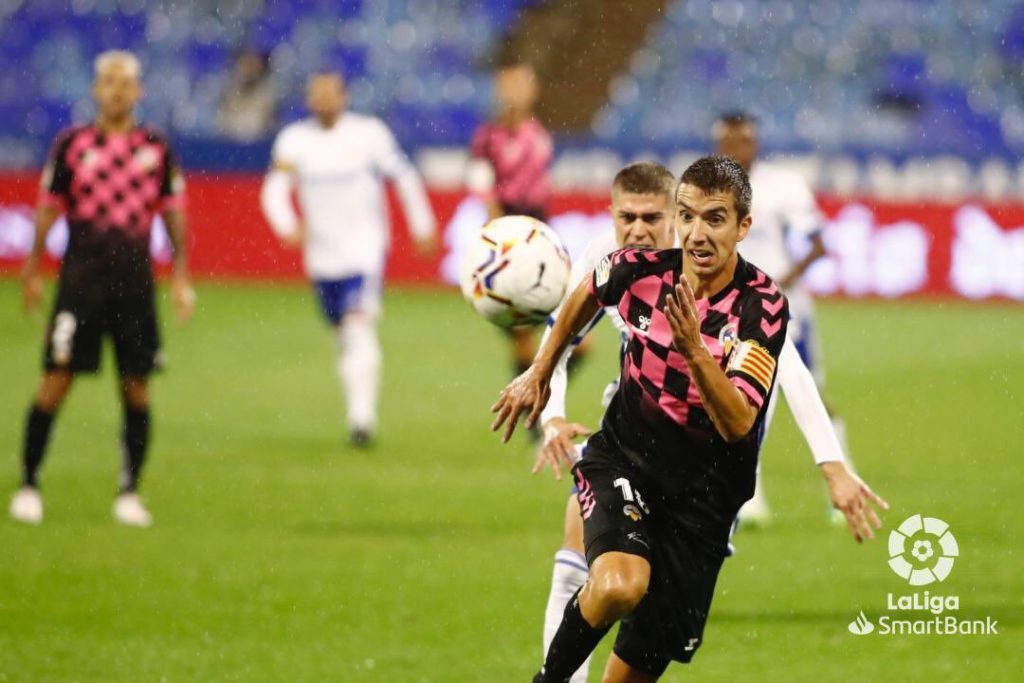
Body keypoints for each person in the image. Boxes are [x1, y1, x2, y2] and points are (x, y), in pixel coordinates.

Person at [493, 156, 887, 682]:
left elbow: (739, 423)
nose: (697, 234)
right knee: (616, 584)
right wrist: (542, 373)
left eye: (714, 219)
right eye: (687, 217)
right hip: (626, 460)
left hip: (704, 497)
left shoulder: (761, 307)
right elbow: (584, 295)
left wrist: (696, 352)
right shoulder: (635, 267)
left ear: (744, 226)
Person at [9, 50, 195, 527]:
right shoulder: (72, 144)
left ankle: (129, 491)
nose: (116, 89)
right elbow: (49, 207)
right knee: (56, 380)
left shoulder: (156, 147)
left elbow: (173, 211)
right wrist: (32, 269)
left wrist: (180, 276)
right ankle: (29, 483)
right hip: (81, 281)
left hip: (134, 283)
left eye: (125, 82)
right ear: (96, 89)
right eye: (108, 81)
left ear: (138, 91)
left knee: (136, 387)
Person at [260, 71, 437, 447]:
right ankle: (357, 408)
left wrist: (422, 223)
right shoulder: (294, 141)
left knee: (359, 326)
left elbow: (404, 177)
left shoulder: (368, 134)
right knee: (343, 335)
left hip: (364, 250)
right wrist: (287, 224)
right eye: (316, 92)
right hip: (322, 256)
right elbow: (274, 189)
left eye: (330, 92)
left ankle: (362, 419)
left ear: (344, 95)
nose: (323, 99)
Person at [713, 111, 850, 525]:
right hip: (729, 311)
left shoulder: (783, 186)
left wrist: (779, 283)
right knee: (738, 401)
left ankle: (842, 486)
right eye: (730, 141)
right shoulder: (708, 189)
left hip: (785, 308)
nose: (738, 148)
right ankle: (748, 500)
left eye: (745, 140)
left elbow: (818, 244)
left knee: (810, 392)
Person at [466, 62, 559, 391]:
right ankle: (530, 408)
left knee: (572, 337)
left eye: (522, 85)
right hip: (511, 242)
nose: (515, 93)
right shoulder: (488, 138)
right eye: (509, 86)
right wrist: (503, 236)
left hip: (542, 237)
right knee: (526, 336)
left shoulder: (540, 134)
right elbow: (482, 186)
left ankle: (528, 397)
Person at [217, 48, 278, 142]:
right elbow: (223, 125)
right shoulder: (230, 94)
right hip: (230, 147)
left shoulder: (267, 96)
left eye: (252, 66)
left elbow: (260, 127)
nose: (248, 71)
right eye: (244, 66)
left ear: (260, 68)